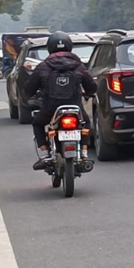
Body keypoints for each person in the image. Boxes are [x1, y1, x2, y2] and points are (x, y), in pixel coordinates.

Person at [24, 32, 98, 171]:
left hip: (51, 108)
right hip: (74, 107)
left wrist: (30, 96)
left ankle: (45, 152)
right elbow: (92, 87)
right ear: (70, 46)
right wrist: (88, 94)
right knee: (86, 123)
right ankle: (84, 153)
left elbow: (29, 89)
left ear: (49, 47)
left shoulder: (43, 66)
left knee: (38, 124)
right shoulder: (78, 66)